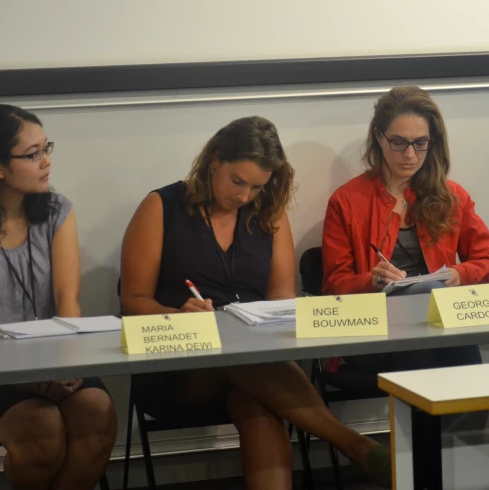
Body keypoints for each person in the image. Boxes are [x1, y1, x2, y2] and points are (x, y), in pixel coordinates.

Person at [120, 116, 391, 489]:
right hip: (178, 367)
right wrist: (177, 315)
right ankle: (352, 442)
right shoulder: (161, 206)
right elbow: (132, 301)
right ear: (215, 159)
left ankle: (355, 446)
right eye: (237, 182)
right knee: (246, 363)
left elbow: (281, 299)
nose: (245, 196)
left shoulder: (268, 213)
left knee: (258, 407)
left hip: (254, 368)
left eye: (257, 186)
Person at [0, 105, 117, 489]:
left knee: (98, 416)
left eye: (47, 148)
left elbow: (69, 301)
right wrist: (27, 382)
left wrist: (64, 367)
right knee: (43, 437)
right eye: (33, 155)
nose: (46, 161)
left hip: (54, 362)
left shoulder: (56, 210)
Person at [321, 85, 489, 375]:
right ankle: (457, 407)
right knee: (425, 310)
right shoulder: (347, 201)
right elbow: (333, 286)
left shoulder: (452, 196)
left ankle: (449, 409)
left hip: (441, 323)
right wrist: (371, 280)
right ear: (379, 138)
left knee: (432, 300)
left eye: (421, 143)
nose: (410, 154)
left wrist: (458, 275)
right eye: (399, 142)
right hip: (375, 328)